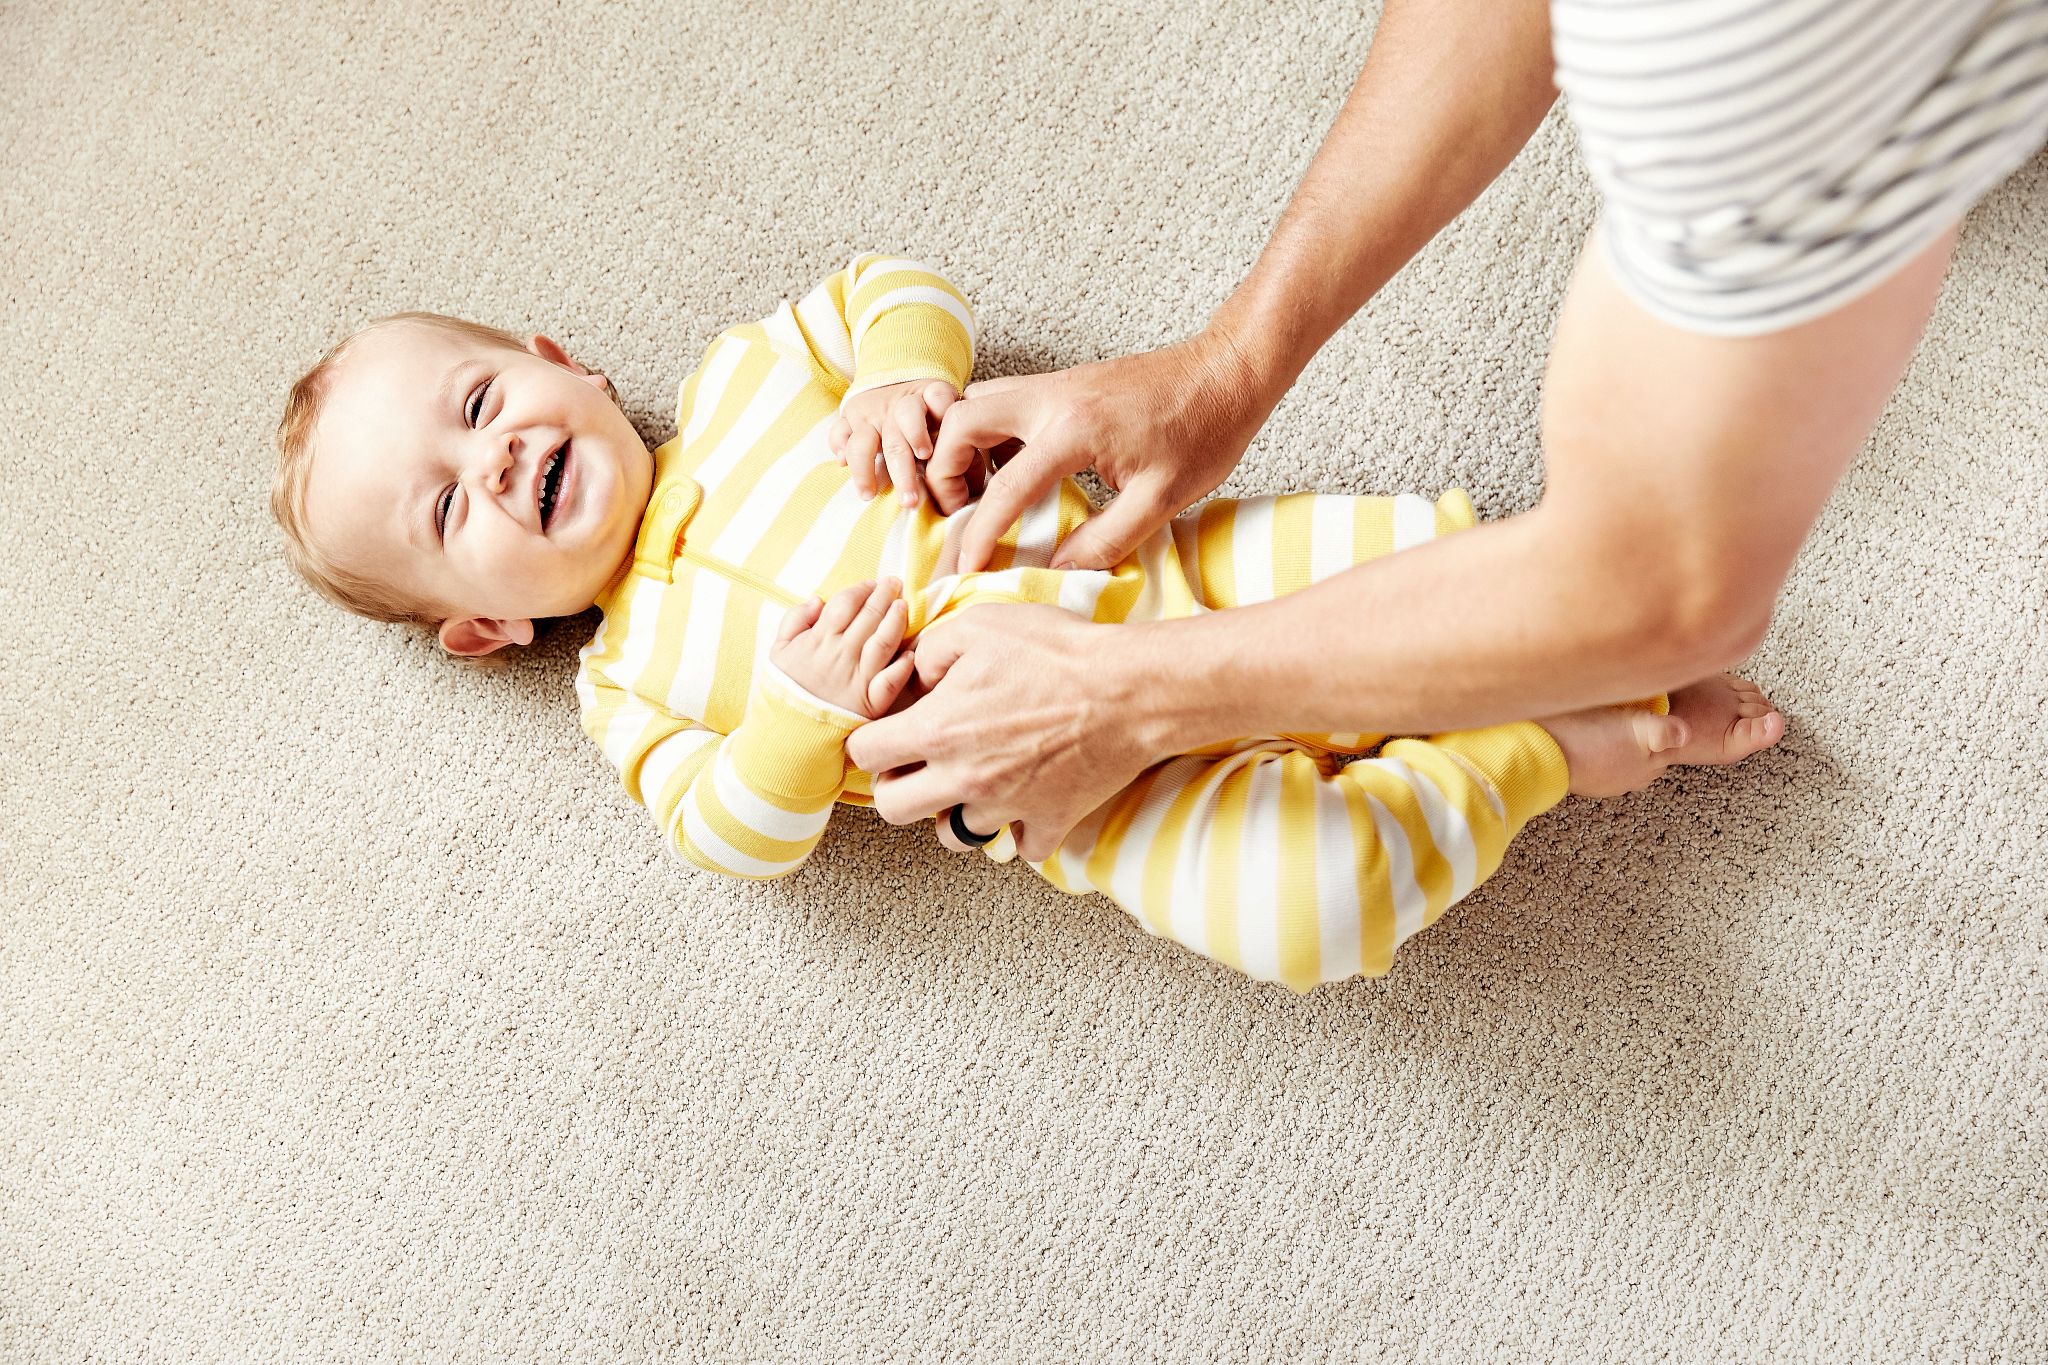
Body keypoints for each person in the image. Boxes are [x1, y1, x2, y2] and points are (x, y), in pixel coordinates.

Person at [268, 255, 1783, 992]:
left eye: (479, 405)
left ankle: (1580, 633)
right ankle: (1535, 747)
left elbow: (885, 280)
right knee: (1314, 916)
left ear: (560, 358)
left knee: (1451, 561)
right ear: (479, 630)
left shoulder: (746, 384)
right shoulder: (625, 696)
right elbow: (732, 837)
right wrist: (794, 721)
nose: (498, 460)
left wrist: (892, 374)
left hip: (1169, 571)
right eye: (449, 510)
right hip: (1095, 803)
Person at [843, 0, 2048, 865]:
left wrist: (1123, 699)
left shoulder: (1732, 59)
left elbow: (1670, 588)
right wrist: (1233, 363)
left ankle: (1533, 734)